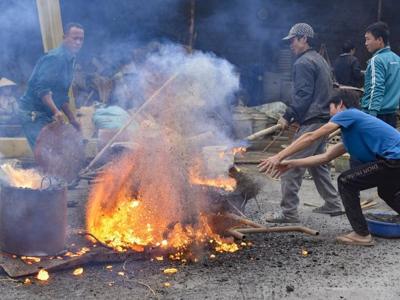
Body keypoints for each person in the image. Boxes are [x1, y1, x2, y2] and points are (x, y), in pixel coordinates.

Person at [259, 89, 400, 246]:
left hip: (393, 160)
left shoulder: (349, 113)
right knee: (386, 191)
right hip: (393, 162)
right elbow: (325, 157)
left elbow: (310, 136)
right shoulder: (354, 130)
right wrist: (291, 163)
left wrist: (279, 156)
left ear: (340, 104)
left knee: (346, 181)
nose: (329, 113)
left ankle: (362, 234)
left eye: (330, 108)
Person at [265, 23, 342, 223]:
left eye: (293, 40)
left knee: (289, 165)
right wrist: (298, 118)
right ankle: (333, 204)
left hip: (313, 121)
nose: (291, 45)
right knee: (319, 164)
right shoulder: (320, 60)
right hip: (323, 119)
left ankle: (288, 213)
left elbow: (303, 95)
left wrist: (289, 116)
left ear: (303, 39)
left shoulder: (303, 63)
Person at [18, 23, 84, 149]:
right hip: (33, 113)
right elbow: (43, 89)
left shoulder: (70, 60)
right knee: (45, 155)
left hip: (45, 114)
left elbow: (61, 95)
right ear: (64, 37)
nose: (78, 42)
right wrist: (55, 111)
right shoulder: (55, 58)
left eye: (81, 39)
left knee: (57, 152)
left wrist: (72, 119)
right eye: (75, 38)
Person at [361, 21, 400, 128]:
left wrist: (371, 115)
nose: (366, 43)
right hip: (391, 115)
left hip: (376, 114)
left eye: (368, 39)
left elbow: (376, 87)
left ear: (380, 40)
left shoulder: (376, 60)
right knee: (386, 144)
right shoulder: (397, 59)